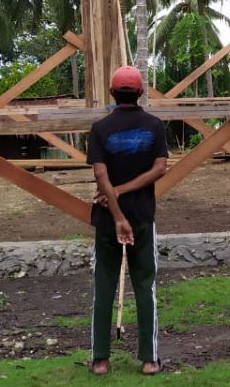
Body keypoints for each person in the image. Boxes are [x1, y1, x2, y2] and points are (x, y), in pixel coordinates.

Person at [87, 66, 168, 376]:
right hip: (143, 217)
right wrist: (126, 199)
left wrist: (116, 205)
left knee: (104, 286)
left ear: (112, 93)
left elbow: (99, 174)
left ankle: (100, 361)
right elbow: (160, 168)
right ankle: (149, 360)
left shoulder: (100, 129)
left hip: (108, 219)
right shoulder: (155, 126)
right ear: (140, 93)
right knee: (145, 286)